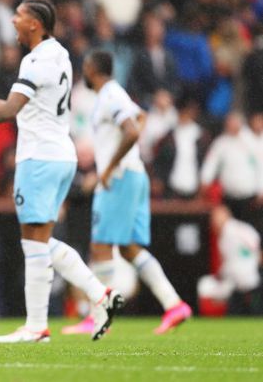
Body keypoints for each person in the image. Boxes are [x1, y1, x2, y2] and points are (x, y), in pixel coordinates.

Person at [0, 0, 122, 343]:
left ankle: (46, 321)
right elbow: (32, 106)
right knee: (40, 241)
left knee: (34, 243)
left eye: (20, 16)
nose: (12, 20)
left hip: (38, 157)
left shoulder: (35, 60)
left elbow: (10, 109)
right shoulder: (62, 55)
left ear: (35, 24)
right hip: (60, 154)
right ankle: (93, 298)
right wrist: (11, 109)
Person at [62, 50, 192, 336]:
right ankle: (174, 305)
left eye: (85, 68)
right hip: (134, 175)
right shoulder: (114, 95)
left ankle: (99, 316)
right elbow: (140, 117)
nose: (84, 73)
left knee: (100, 244)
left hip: (120, 178)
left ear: (94, 70)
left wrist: (109, 167)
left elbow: (132, 130)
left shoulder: (109, 94)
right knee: (129, 248)